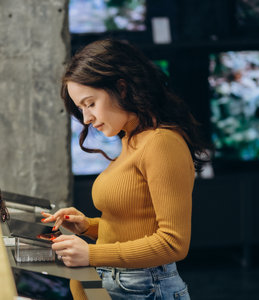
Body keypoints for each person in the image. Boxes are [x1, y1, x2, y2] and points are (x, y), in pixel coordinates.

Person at [41, 39, 209, 300]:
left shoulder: (161, 143)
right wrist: (88, 226)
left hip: (144, 288)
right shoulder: (132, 139)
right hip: (125, 284)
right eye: (81, 108)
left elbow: (172, 243)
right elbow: (137, 226)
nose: (86, 119)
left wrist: (91, 254)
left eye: (90, 103)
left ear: (122, 87)